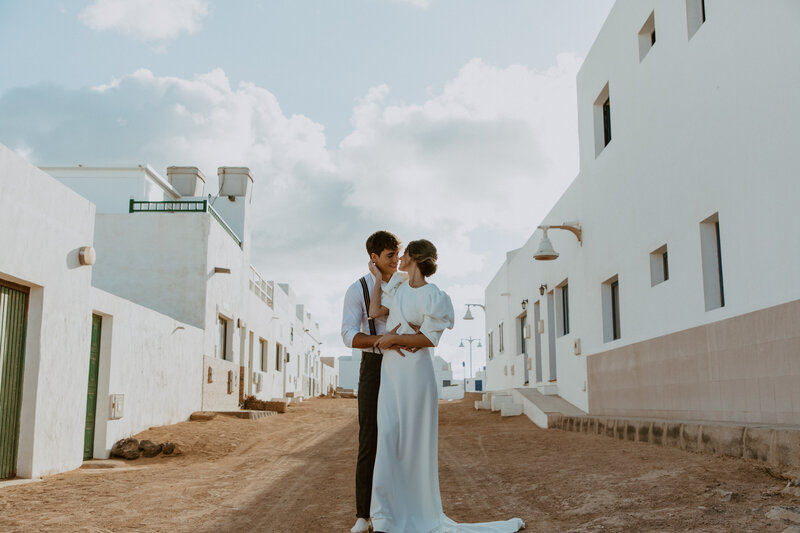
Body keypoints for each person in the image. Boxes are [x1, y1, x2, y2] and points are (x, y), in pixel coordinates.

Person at [367, 239, 525, 533]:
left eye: (404, 255)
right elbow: (376, 311)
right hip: (392, 373)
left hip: (416, 375)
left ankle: (418, 514)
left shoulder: (435, 296)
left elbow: (428, 339)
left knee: (415, 443)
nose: (398, 258)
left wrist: (395, 339)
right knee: (388, 437)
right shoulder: (398, 287)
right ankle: (386, 517)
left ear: (413, 257)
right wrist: (378, 280)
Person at [341, 230, 402, 533]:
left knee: (401, 435)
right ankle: (363, 516)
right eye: (390, 255)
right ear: (374, 258)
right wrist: (382, 341)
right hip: (374, 365)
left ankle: (396, 509)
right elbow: (348, 335)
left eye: (397, 254)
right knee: (370, 438)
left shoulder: (405, 283)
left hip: (405, 366)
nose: (396, 261)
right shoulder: (357, 289)